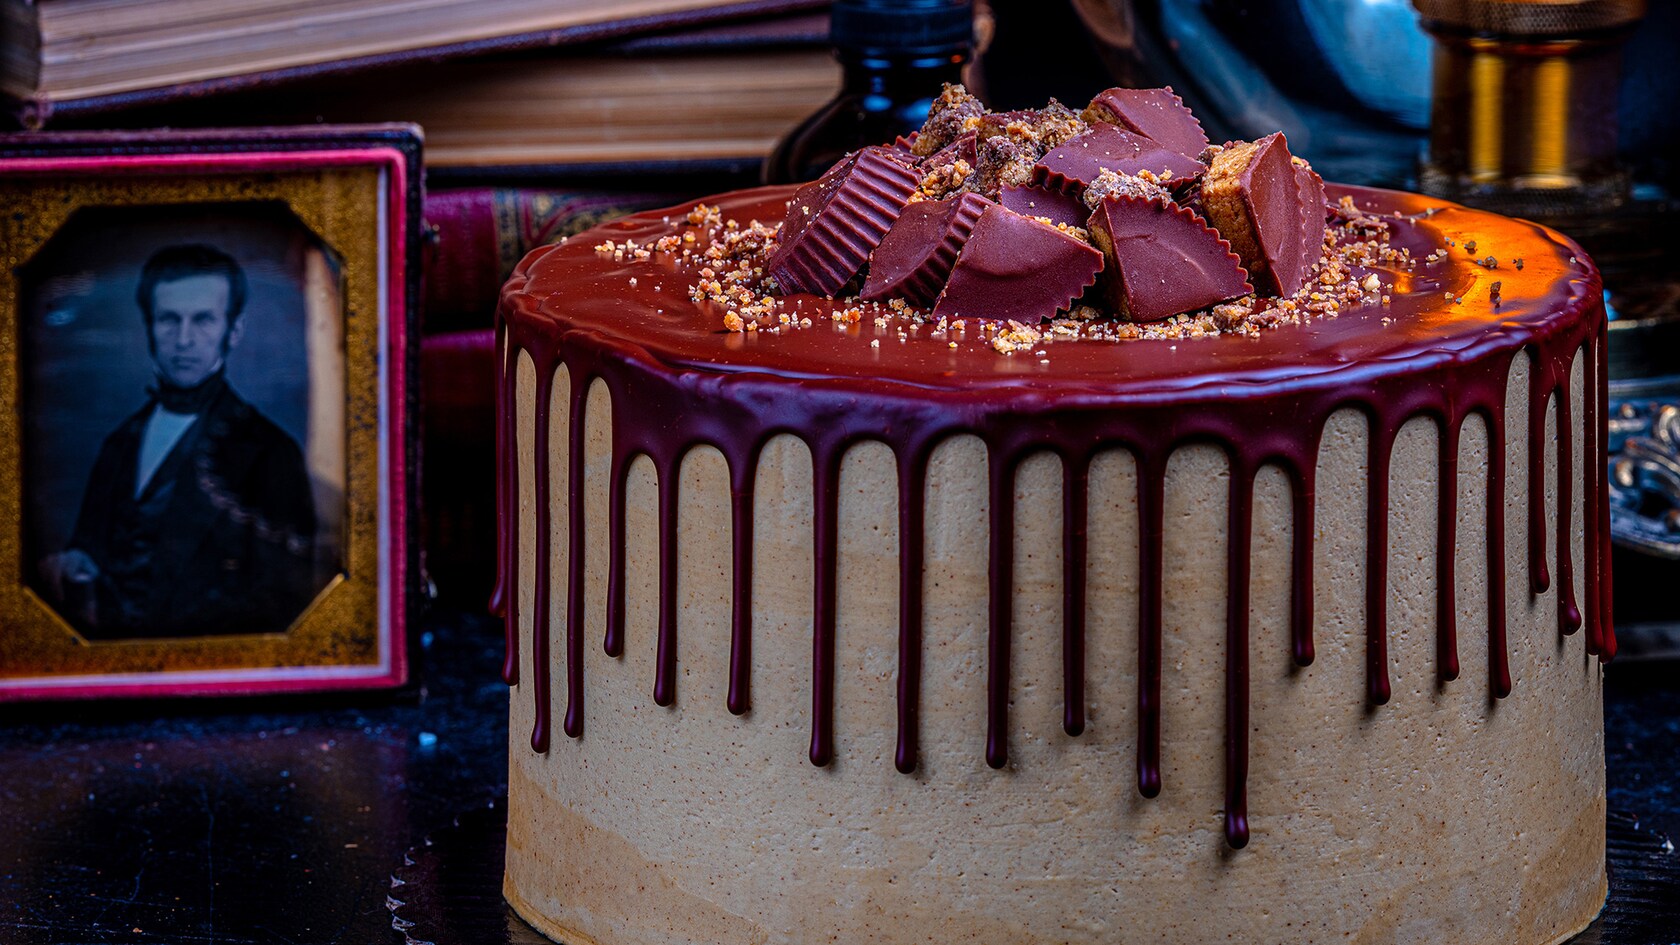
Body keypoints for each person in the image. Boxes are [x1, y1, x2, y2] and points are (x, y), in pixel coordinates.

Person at [39, 244, 317, 639]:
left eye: (203, 320)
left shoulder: (272, 452)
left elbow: (287, 601)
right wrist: (76, 563)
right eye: (168, 320)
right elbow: (92, 547)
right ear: (149, 326)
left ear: (233, 331)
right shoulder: (120, 442)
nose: (183, 340)